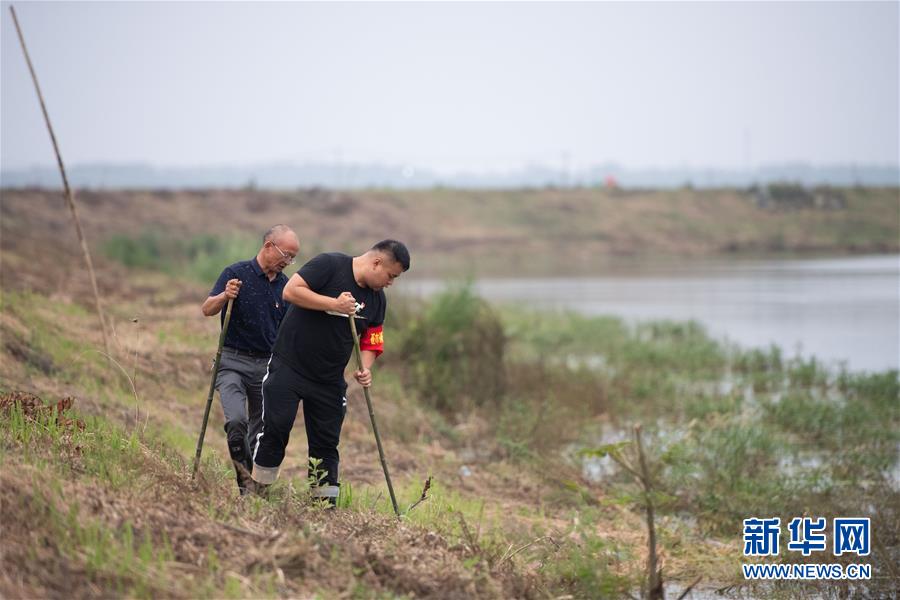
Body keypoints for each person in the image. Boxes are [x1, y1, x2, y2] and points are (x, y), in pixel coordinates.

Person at [250, 239, 410, 502]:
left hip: (329, 381)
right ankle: (257, 495)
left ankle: (324, 507)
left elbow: (373, 338)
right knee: (276, 429)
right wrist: (333, 304)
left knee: (326, 444)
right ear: (377, 262)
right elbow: (291, 291)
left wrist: (365, 367)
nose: (391, 282)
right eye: (391, 276)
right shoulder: (330, 265)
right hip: (289, 367)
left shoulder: (377, 300)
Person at [201, 224, 300, 494]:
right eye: (286, 255)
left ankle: (255, 490)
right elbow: (207, 309)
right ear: (269, 246)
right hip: (232, 361)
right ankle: (244, 480)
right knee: (236, 422)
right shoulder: (236, 274)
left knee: (261, 432)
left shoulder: (286, 287)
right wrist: (225, 295)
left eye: (293, 258)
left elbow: (290, 330)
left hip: (267, 367)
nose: (288, 262)